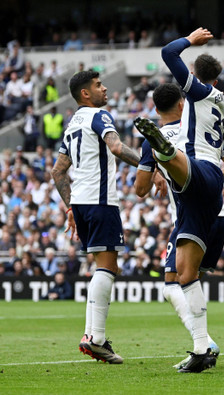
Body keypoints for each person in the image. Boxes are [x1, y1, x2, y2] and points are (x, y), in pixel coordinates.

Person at [133, 27, 224, 373]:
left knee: (180, 167)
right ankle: (202, 348)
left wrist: (190, 39)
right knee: (185, 275)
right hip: (209, 193)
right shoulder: (219, 101)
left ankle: (164, 151)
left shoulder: (199, 95)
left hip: (195, 171)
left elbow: (168, 54)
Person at [50, 70, 141, 364]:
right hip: (101, 202)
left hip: (80, 203)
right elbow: (116, 147)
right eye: (99, 85)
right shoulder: (99, 117)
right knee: (108, 266)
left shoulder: (71, 124)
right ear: (85, 94)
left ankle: (93, 335)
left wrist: (70, 206)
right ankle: (95, 338)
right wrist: (152, 163)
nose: (104, 89)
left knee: (103, 266)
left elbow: (57, 171)